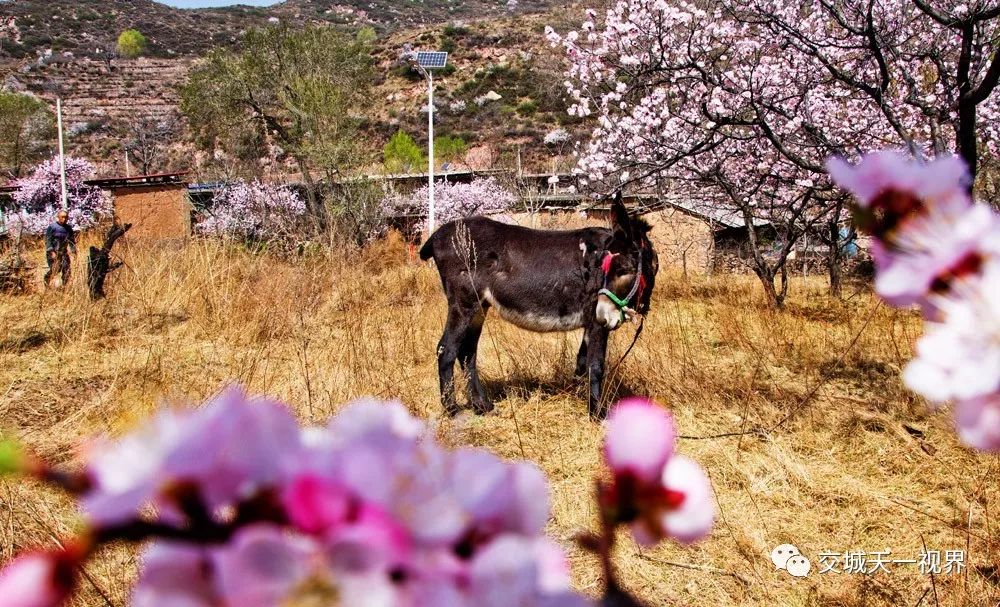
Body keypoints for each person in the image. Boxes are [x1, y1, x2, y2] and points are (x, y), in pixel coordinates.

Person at [44, 210, 76, 287]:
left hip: (63, 253)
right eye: (62, 217)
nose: (64, 219)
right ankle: (47, 278)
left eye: (66, 217)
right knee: (56, 269)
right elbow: (48, 240)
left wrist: (74, 252)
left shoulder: (68, 228)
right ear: (58, 217)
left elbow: (72, 241)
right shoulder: (52, 227)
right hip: (53, 252)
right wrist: (52, 252)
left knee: (67, 270)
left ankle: (65, 288)